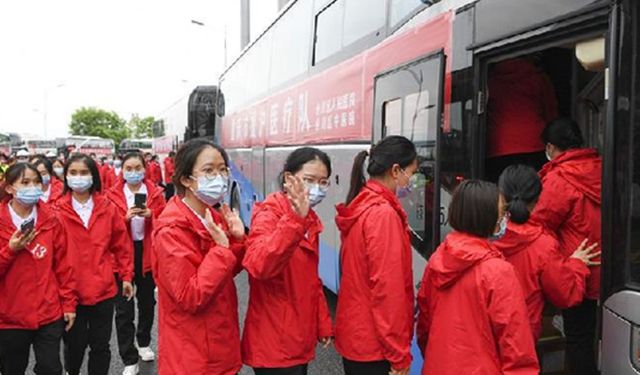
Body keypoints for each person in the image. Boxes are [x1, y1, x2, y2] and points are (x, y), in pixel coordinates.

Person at [416, 180, 539, 374]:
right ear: (486, 218)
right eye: (501, 214)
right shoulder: (498, 271)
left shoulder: (437, 260)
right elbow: (516, 344)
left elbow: (424, 328)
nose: (505, 219)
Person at [153, 139, 245, 375]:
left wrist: (236, 240)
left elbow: (223, 273)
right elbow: (190, 296)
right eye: (208, 170)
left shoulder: (210, 215)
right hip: (193, 357)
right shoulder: (172, 230)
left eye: (223, 169)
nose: (219, 177)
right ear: (185, 179)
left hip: (219, 343)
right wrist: (222, 251)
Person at [242, 147, 334, 375]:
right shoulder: (270, 214)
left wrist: (322, 322)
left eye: (323, 182)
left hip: (297, 338)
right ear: (288, 179)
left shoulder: (308, 218)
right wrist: (295, 221)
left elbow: (311, 281)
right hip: (274, 344)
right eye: (309, 180)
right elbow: (259, 265)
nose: (316, 188)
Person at [334, 136, 417, 375]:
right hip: (375, 346)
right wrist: (398, 354)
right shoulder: (383, 215)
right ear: (395, 170)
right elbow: (387, 290)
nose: (411, 181)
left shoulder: (364, 203)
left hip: (358, 338)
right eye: (411, 174)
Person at [494, 165, 599, 341]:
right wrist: (576, 264)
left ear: (500, 194)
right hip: (520, 337)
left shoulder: (482, 231)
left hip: (481, 334)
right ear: (539, 199)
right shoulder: (542, 245)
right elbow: (566, 295)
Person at [531, 118, 602, 375]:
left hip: (578, 270)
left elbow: (539, 223)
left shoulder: (559, 178)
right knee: (591, 334)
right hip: (608, 266)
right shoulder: (603, 167)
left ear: (551, 146)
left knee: (578, 339)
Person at [56, 154, 134, 375]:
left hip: (103, 290)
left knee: (101, 347)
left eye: (84, 173)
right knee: (74, 346)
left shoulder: (107, 207)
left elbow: (122, 245)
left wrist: (127, 276)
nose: (78, 178)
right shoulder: (56, 211)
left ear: (94, 176)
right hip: (71, 292)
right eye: (73, 173)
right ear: (66, 177)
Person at [0, 163, 77, 375]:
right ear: (9, 188)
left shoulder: (52, 219)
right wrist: (10, 250)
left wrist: (68, 304)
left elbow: (64, 265)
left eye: (36, 182)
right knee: (12, 369)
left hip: (48, 312)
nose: (33, 187)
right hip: (10, 317)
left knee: (51, 368)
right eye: (25, 183)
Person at [107, 152, 166, 375]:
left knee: (147, 302)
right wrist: (124, 219)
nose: (133, 172)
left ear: (145, 168)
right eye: (128, 168)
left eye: (137, 168)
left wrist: (152, 214)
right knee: (123, 309)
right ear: (122, 170)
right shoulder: (112, 194)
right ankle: (129, 358)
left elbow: (167, 220)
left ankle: (143, 342)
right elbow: (107, 228)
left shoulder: (155, 192)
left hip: (148, 253)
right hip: (122, 253)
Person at [485, 56, 558, 182]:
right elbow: (551, 111)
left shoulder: (490, 81)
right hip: (535, 144)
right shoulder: (538, 77)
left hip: (499, 147)